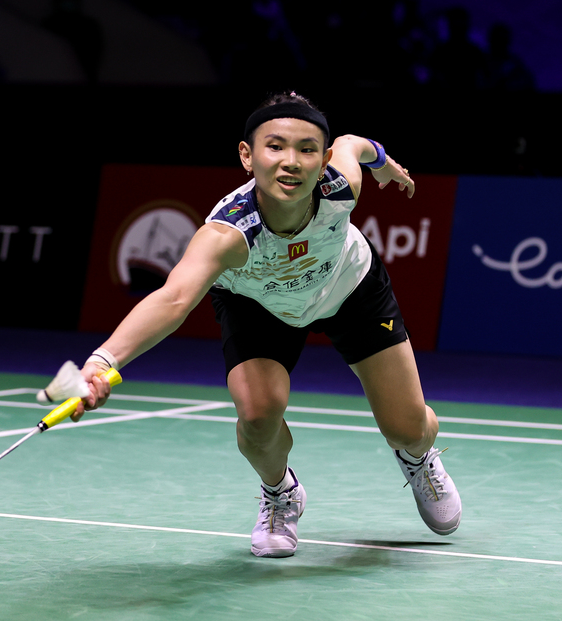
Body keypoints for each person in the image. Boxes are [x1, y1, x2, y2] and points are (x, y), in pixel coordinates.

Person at [51, 92, 462, 557]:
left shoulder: (341, 185)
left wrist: (383, 163)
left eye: (307, 149)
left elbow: (353, 143)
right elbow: (174, 298)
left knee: (409, 427)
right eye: (275, 146)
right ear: (247, 156)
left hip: (350, 288)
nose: (292, 161)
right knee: (257, 415)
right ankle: (281, 492)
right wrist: (103, 360)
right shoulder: (228, 233)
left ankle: (417, 457)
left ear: (322, 161)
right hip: (257, 302)